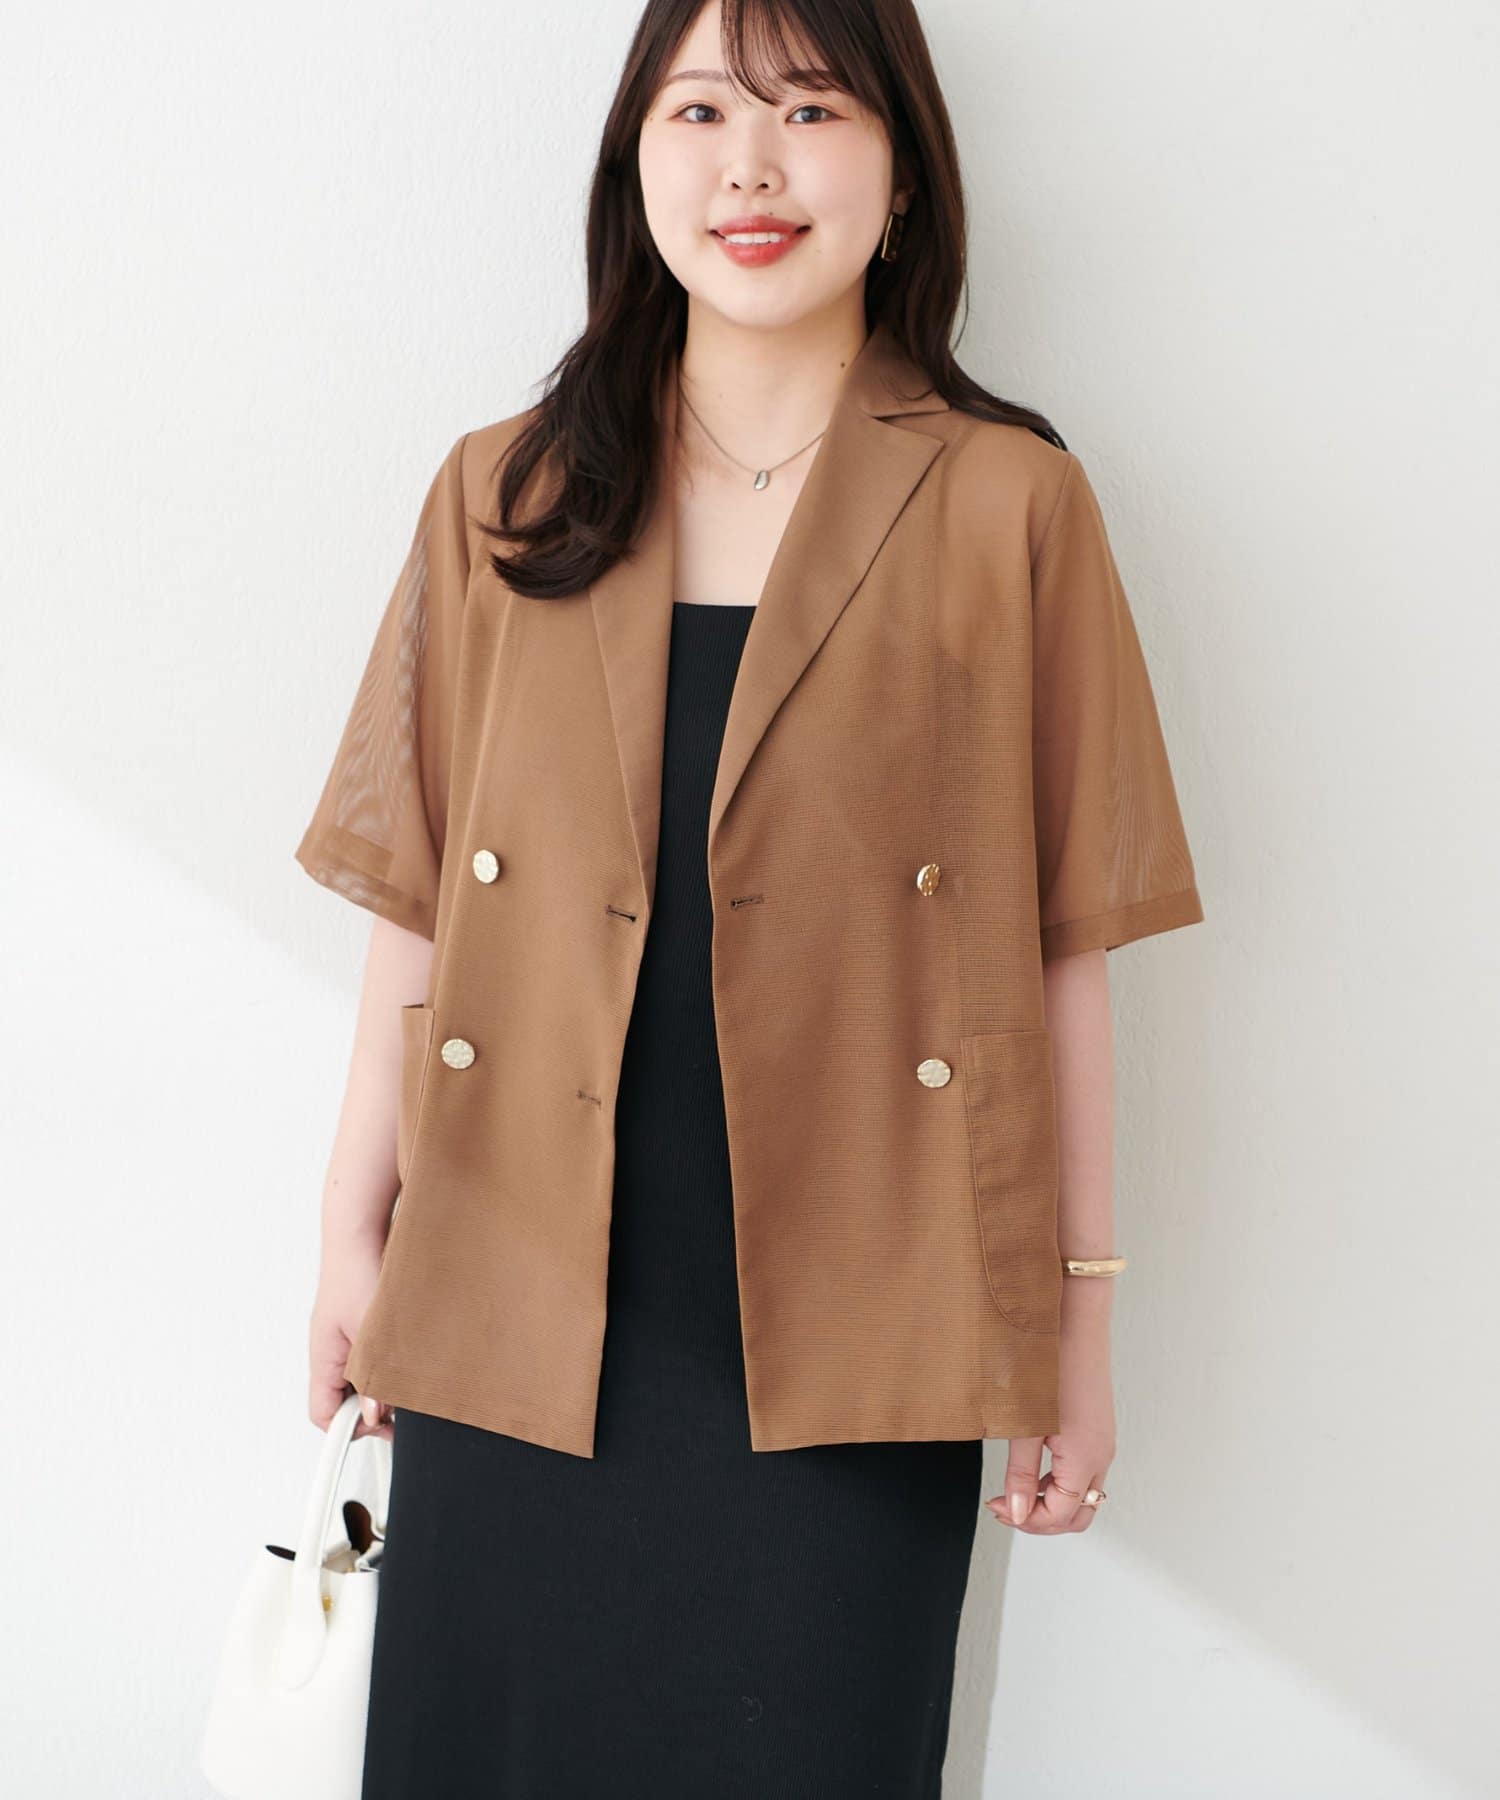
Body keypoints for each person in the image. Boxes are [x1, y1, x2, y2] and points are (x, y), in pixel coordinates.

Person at [295, 1, 1204, 1793]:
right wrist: (350, 1238)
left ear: (905, 171)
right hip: (513, 1294)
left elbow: (1059, 956)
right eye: (702, 112)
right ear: (636, 159)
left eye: (814, 111)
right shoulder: (510, 493)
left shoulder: (1009, 505)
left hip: (867, 1331)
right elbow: (422, 904)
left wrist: (1078, 1328)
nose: (754, 168)